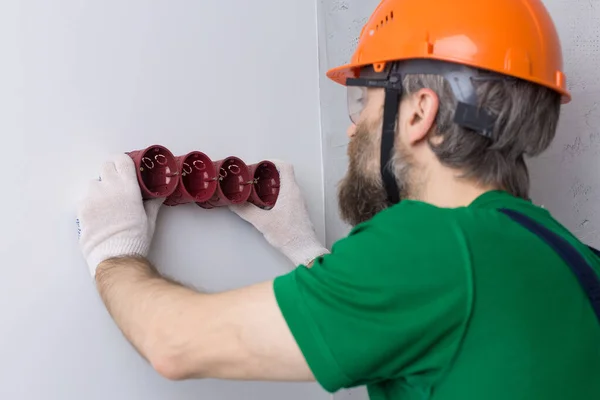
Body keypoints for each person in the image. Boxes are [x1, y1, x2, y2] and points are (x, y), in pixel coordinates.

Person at [75, 0, 600, 399]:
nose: (353, 130)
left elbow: (173, 342)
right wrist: (306, 251)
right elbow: (432, 340)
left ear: (419, 112)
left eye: (364, 101)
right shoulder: (576, 260)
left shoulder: (429, 249)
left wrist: (114, 249)